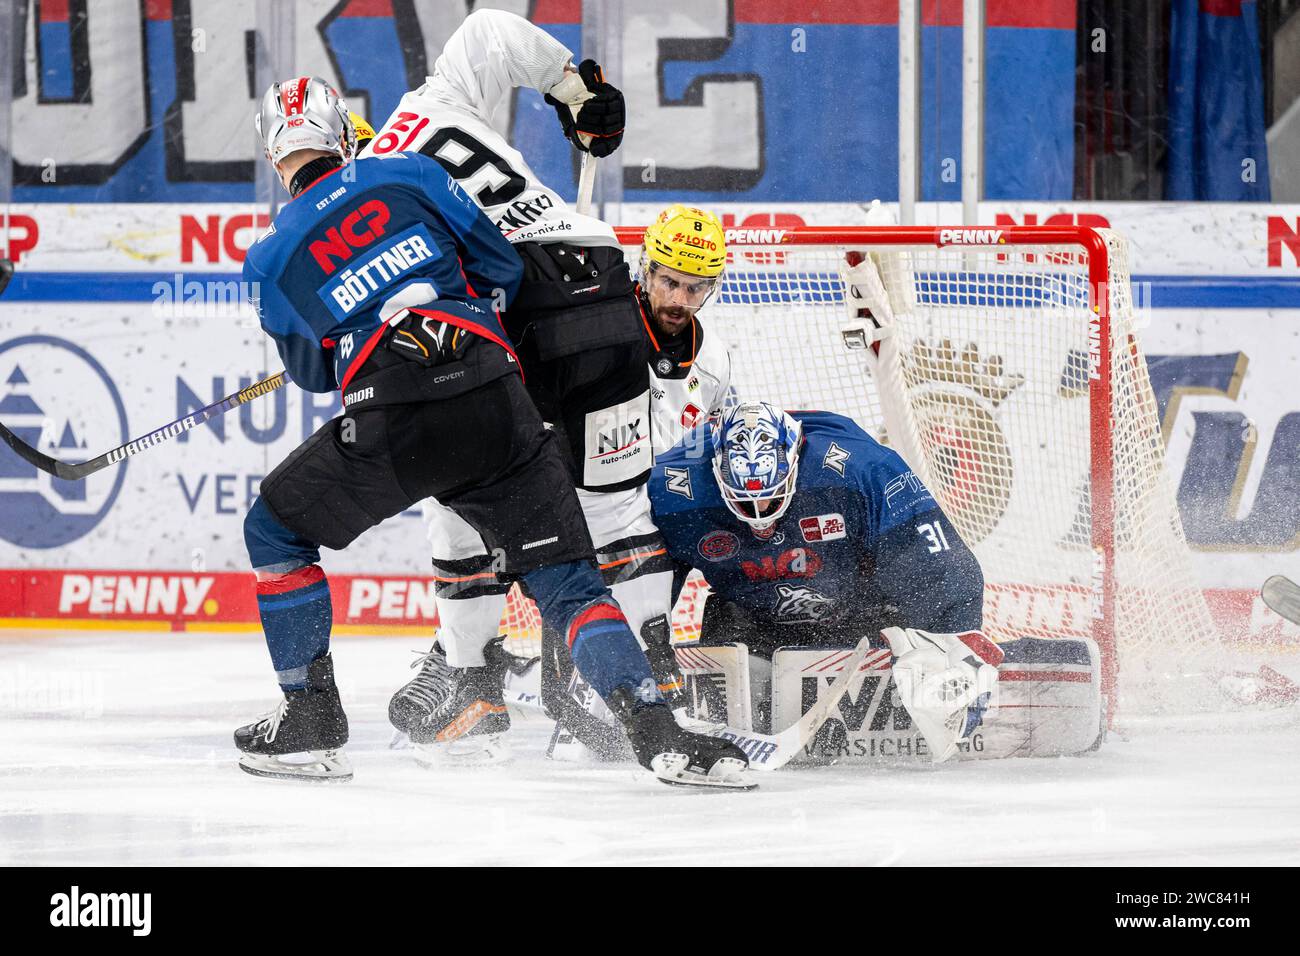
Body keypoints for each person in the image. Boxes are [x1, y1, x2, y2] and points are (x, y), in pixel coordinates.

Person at [234, 75, 750, 789]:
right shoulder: (408, 172)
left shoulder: (268, 258)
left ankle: (311, 718)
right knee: (569, 583)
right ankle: (660, 733)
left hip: (396, 421)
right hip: (497, 403)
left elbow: (317, 376)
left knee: (275, 531)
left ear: (273, 154)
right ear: (347, 136)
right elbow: (502, 266)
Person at [366, 10, 680, 746]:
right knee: (616, 512)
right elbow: (489, 31)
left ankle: (473, 686)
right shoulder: (432, 102)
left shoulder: (358, 195)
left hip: (523, 311)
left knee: (458, 502)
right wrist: (575, 91)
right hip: (604, 285)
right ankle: (660, 679)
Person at [649, 401, 1003, 759]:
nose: (761, 519)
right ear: (717, 471)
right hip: (748, 619)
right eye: (744, 503)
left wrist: (955, 656)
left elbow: (946, 575)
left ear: (795, 461)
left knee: (923, 657)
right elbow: (637, 595)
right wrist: (638, 681)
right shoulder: (670, 491)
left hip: (862, 617)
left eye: (771, 499)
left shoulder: (864, 469)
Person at [637, 204, 733, 456]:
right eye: (669, 282)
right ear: (648, 273)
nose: (679, 299)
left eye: (694, 288)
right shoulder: (609, 328)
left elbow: (709, 445)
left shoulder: (714, 359)